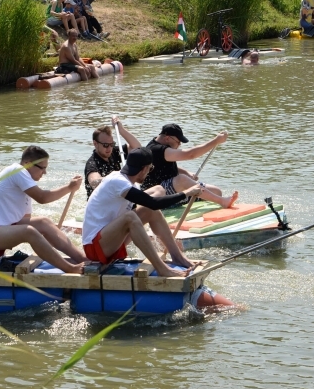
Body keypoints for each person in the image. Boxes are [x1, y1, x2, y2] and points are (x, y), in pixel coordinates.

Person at [82, 147, 210, 279]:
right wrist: (186, 193)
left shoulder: (126, 180)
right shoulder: (118, 181)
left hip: (109, 240)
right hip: (95, 247)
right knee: (131, 217)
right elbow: (154, 202)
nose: (149, 172)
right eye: (150, 168)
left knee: (150, 210)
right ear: (144, 169)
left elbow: (151, 205)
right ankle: (162, 269)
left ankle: (178, 257)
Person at [0, 146, 87, 274]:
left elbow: (26, 218)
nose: (45, 172)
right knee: (28, 231)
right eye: (42, 168)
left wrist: (46, 240)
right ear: (28, 164)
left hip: (0, 230)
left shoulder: (25, 186)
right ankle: (70, 268)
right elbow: (42, 198)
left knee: (44, 222)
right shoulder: (17, 170)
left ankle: (84, 259)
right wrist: (69, 187)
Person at [141, 124, 239, 208]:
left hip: (173, 191)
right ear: (167, 138)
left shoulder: (162, 147)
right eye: (178, 142)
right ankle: (223, 202)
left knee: (216, 191)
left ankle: (212, 200)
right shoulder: (156, 149)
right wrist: (215, 141)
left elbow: (165, 168)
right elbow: (190, 154)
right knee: (182, 179)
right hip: (157, 195)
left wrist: (187, 173)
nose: (179, 145)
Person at [84, 117, 142, 198]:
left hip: (116, 196)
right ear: (95, 144)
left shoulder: (114, 152)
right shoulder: (92, 163)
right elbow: (94, 182)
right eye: (105, 145)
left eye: (112, 144)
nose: (109, 148)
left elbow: (137, 148)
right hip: (101, 204)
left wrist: (121, 130)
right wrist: (118, 178)